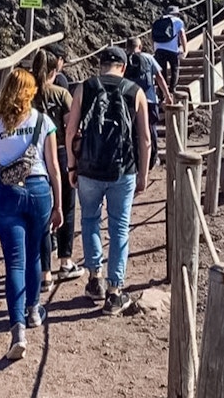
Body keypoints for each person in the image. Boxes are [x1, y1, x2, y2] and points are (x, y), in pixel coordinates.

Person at [65, 46, 152, 316]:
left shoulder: (84, 88)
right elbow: (145, 139)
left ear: (100, 65)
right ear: (123, 67)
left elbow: (70, 131)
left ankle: (94, 278)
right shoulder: (135, 91)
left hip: (89, 169)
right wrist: (143, 174)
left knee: (89, 220)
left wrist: (71, 165)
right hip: (122, 171)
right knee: (119, 228)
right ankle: (114, 293)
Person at [0, 68, 64, 360]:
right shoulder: (43, 121)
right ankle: (34, 310)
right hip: (40, 189)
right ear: (31, 92)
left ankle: (17, 328)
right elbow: (54, 166)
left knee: (14, 263)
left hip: (9, 193)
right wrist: (58, 204)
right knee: (35, 256)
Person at [30, 48, 81, 290]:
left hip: (34, 154)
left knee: (41, 209)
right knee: (67, 206)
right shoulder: (62, 94)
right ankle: (66, 260)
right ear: (54, 70)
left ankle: (44, 272)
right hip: (60, 151)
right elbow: (72, 128)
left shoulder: (27, 95)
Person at [123, 36, 173, 169]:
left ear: (127, 47)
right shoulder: (148, 58)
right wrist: (167, 95)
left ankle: (134, 161)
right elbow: (160, 78)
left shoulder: (123, 61)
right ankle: (152, 160)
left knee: (132, 131)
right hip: (149, 100)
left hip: (129, 101)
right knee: (150, 130)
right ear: (140, 47)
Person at [151, 6, 187, 93]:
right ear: (177, 14)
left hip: (159, 49)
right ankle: (172, 89)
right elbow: (182, 34)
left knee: (161, 72)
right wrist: (185, 49)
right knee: (175, 69)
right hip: (172, 50)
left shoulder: (158, 21)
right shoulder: (178, 21)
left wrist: (154, 48)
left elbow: (152, 36)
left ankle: (162, 93)